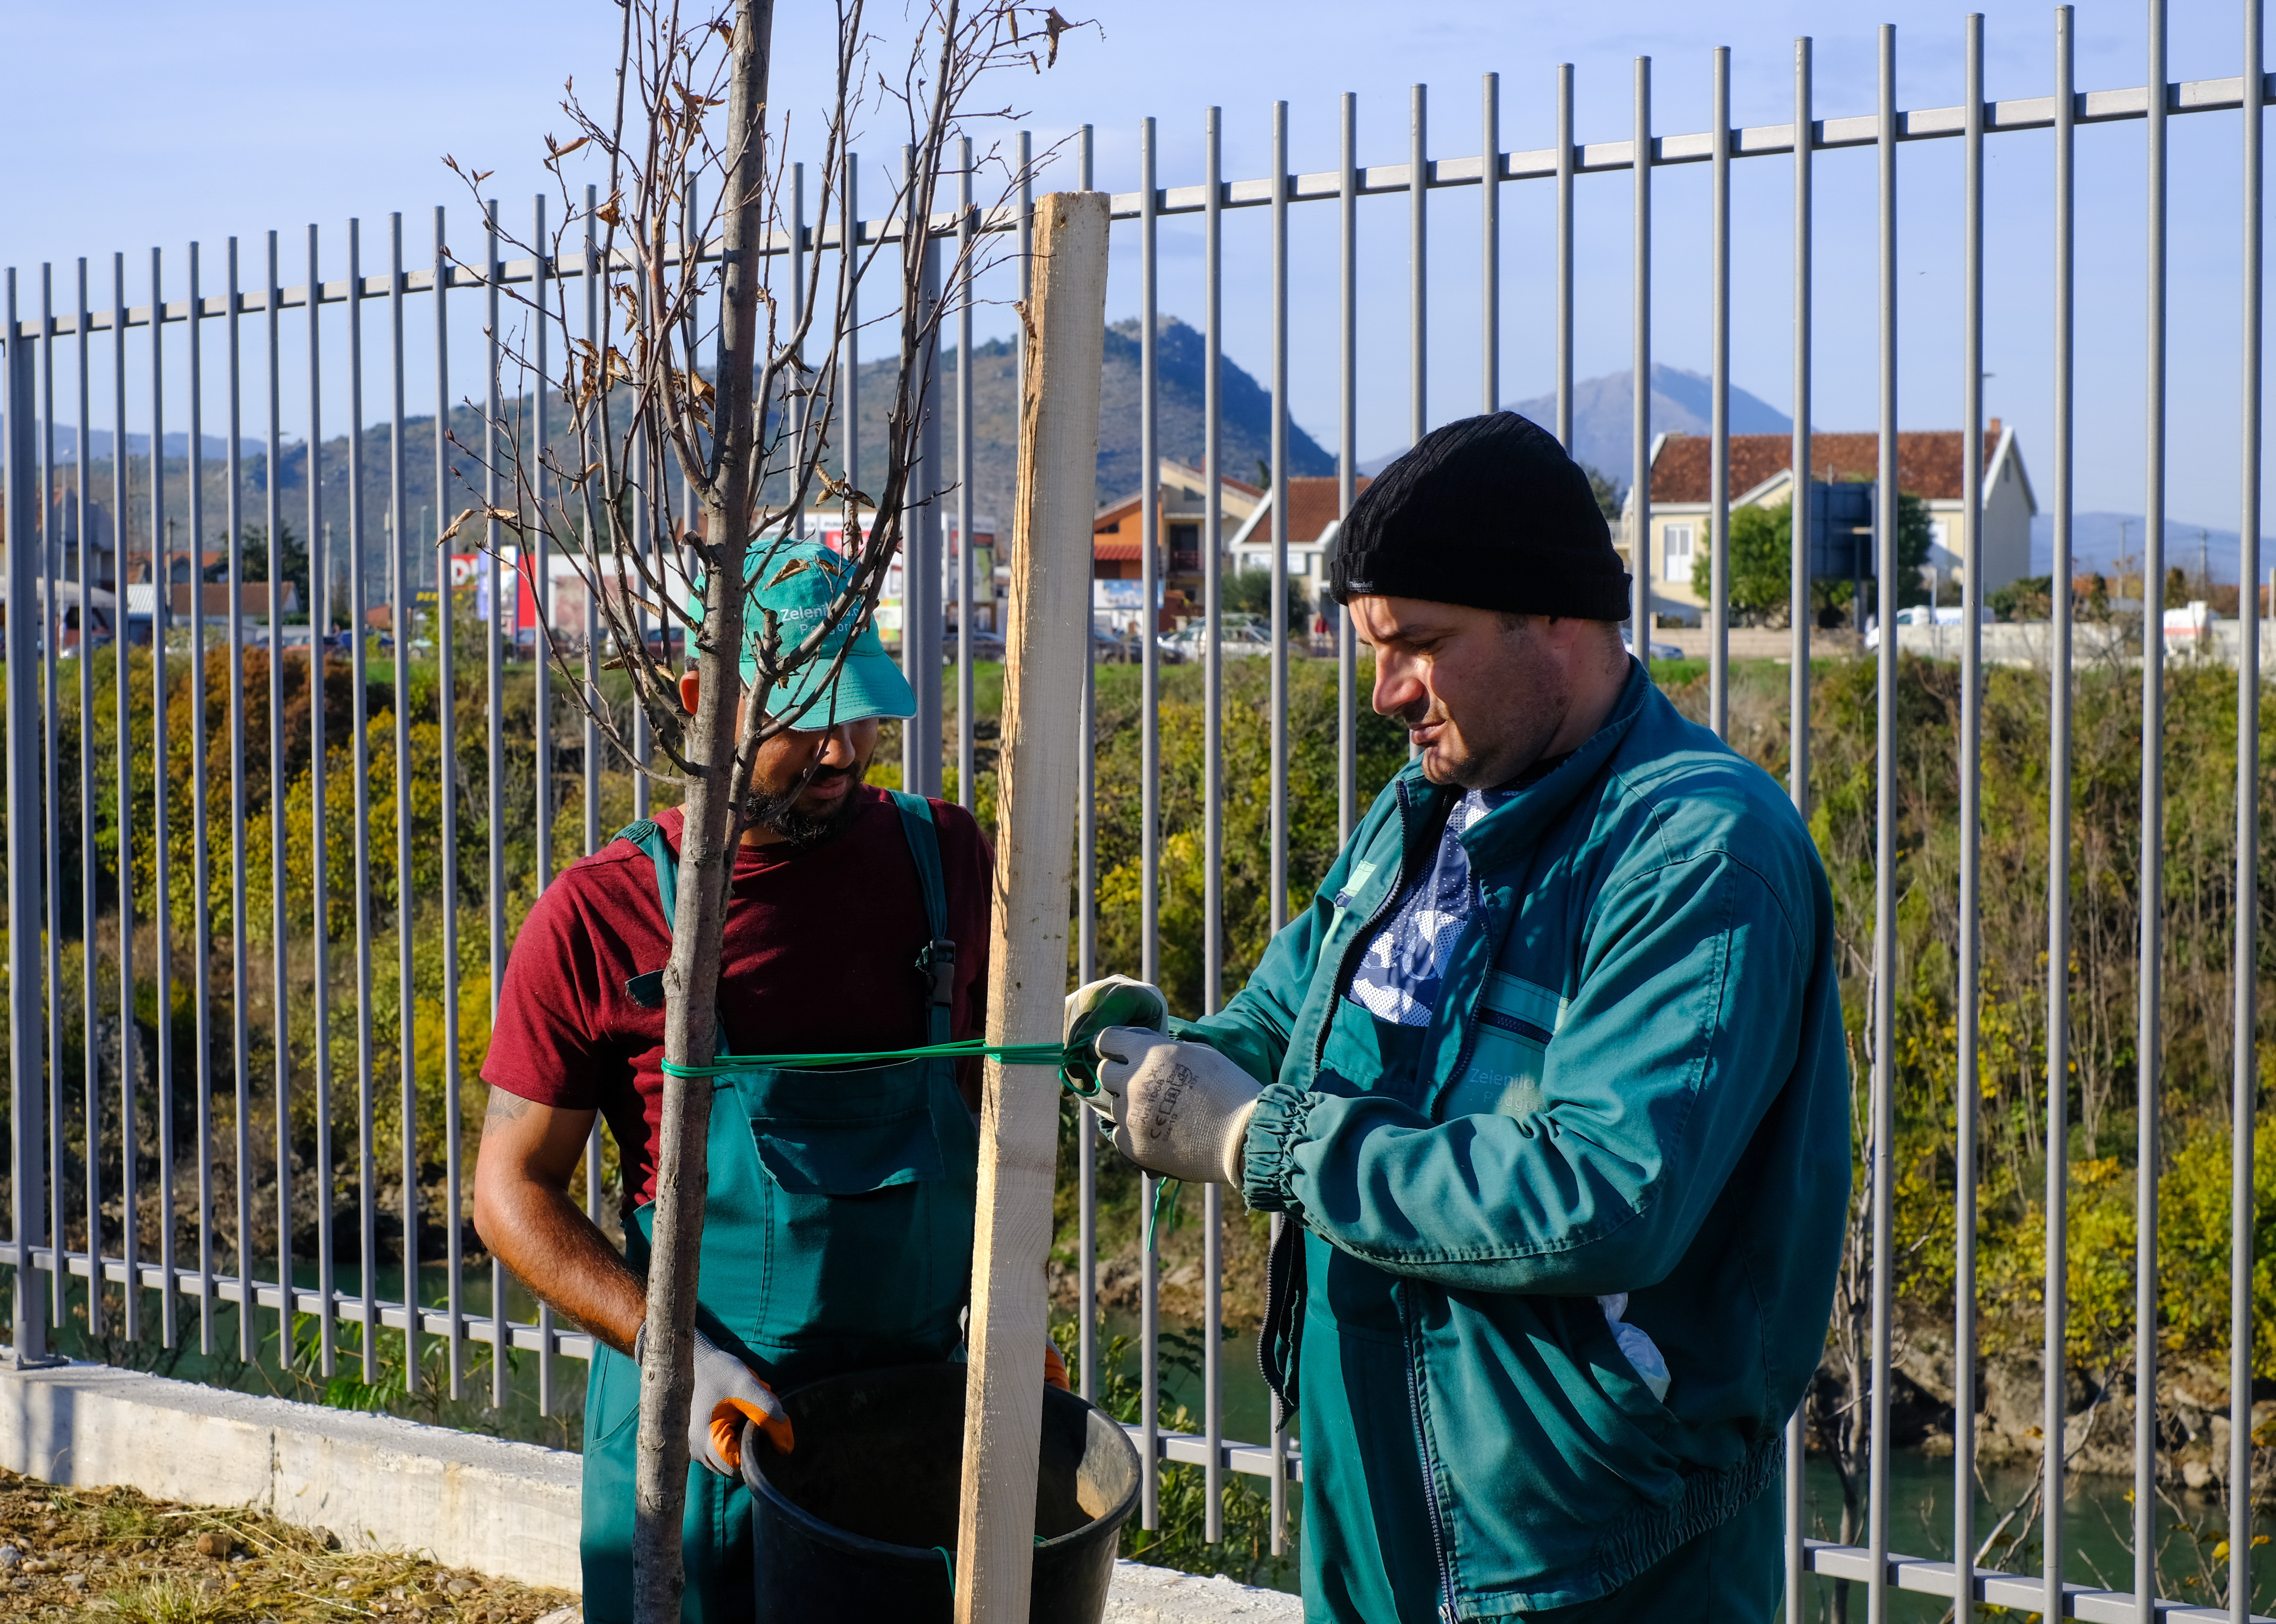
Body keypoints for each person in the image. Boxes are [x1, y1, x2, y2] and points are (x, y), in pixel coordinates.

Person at [1065, 412, 1850, 1622]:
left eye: (1420, 644)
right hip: (1380, 1514)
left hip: (1581, 1560)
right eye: (1374, 646)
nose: (1385, 693)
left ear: (1553, 617)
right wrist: (1164, 1055)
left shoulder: (1699, 849)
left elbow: (1604, 1190)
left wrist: (1254, 1140)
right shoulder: (1432, 804)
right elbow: (1289, 1017)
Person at [473, 539, 999, 1624]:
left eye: (861, 714)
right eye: (808, 718)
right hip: (709, 1441)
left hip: (912, 1425)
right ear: (704, 698)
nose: (845, 750)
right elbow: (510, 1191)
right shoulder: (603, 911)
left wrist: (1010, 1307)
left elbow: (992, 1112)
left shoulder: (943, 863)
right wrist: (678, 1356)